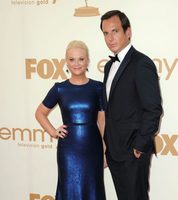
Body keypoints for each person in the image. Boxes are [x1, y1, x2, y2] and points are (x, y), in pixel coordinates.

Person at [100, 10, 163, 200]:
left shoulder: (141, 63)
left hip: (132, 152)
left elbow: (153, 109)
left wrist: (139, 146)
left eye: (115, 31)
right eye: (105, 33)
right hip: (114, 150)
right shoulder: (109, 66)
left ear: (128, 32)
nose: (110, 38)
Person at [35, 40, 106, 200]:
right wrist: (53, 132)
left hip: (92, 148)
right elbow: (40, 113)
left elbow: (102, 122)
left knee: (93, 187)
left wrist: (105, 149)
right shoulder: (60, 89)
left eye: (81, 59)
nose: (76, 64)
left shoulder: (97, 88)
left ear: (87, 61)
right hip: (68, 150)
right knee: (69, 188)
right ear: (66, 62)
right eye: (72, 59)